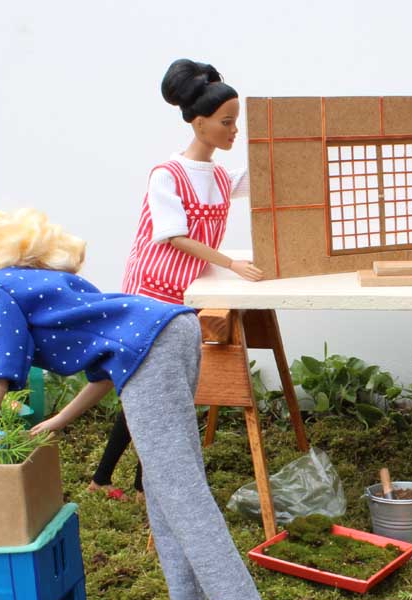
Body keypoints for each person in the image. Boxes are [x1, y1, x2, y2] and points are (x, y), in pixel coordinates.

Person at [0, 208, 288, 600]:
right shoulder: (27, 279)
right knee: (165, 489)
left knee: (185, 500)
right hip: (171, 330)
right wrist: (61, 419)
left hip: (152, 350)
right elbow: (109, 362)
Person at [90, 57, 261, 503]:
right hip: (151, 290)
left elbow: (260, 179)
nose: (234, 131)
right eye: (227, 122)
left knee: (159, 388)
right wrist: (232, 263)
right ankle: (116, 480)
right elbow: (175, 236)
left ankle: (126, 480)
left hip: (185, 290)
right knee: (150, 387)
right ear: (200, 124)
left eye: (236, 122)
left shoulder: (219, 177)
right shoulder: (167, 176)